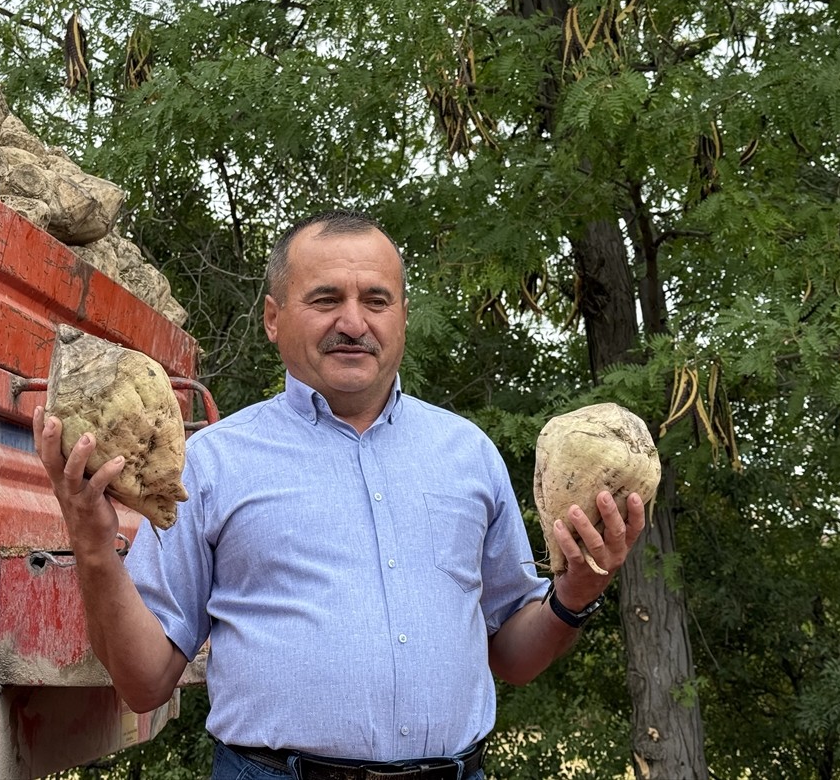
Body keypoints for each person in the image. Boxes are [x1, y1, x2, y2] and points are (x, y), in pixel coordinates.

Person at [33, 210, 646, 780]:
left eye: (376, 300)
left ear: (402, 316)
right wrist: (94, 546)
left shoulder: (469, 455)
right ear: (273, 318)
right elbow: (144, 684)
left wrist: (577, 591)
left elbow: (514, 657)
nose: (354, 323)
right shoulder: (212, 465)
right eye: (326, 299)